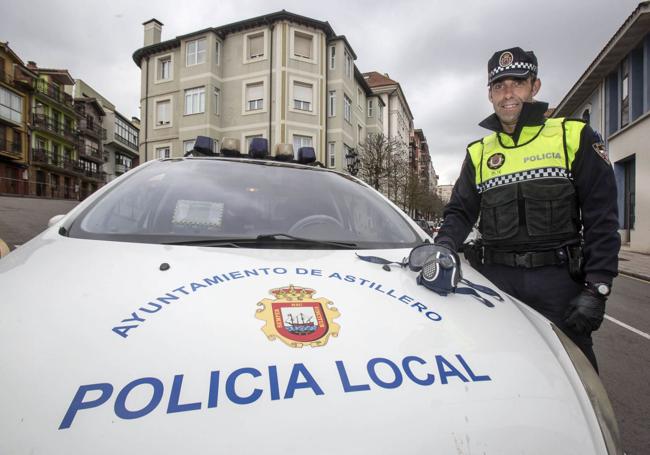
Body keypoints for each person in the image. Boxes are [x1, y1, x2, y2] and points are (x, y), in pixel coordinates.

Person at [434, 46, 620, 371]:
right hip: (496, 284)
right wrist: (442, 249)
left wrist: (598, 286)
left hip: (557, 285)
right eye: (498, 86)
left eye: (517, 83)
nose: (508, 94)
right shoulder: (479, 152)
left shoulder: (572, 136)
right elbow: (460, 213)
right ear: (489, 94)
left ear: (534, 86)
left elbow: (601, 218)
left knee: (577, 378)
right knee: (500, 372)